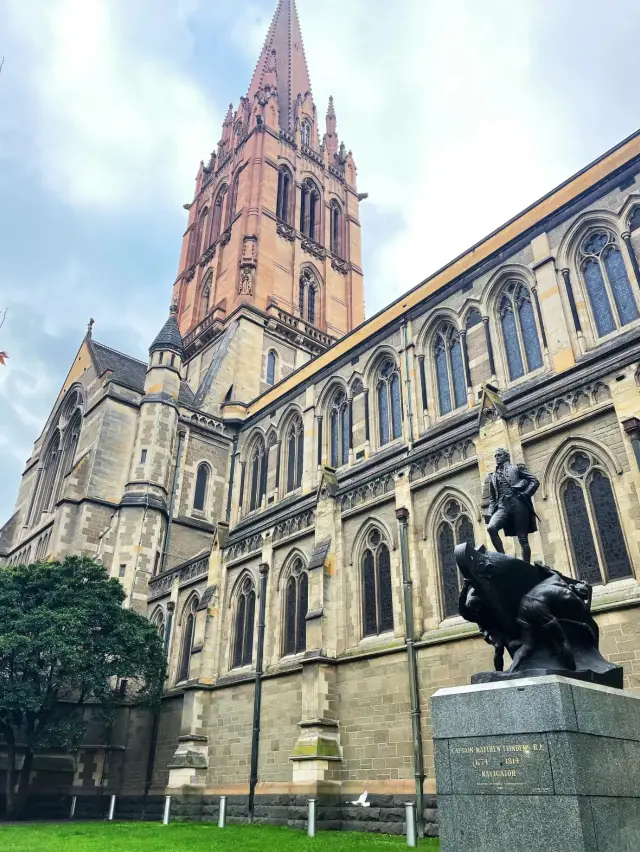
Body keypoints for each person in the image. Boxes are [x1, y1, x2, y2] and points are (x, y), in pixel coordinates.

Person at [484, 448, 539, 563]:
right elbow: (493, 498)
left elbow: (534, 481)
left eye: (499, 455)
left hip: (518, 503)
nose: (496, 458)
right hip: (502, 506)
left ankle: (526, 565)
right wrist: (489, 513)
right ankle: (502, 558)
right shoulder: (492, 477)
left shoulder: (516, 468)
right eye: (495, 456)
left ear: (506, 457)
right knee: (491, 528)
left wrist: (526, 493)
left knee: (523, 538)